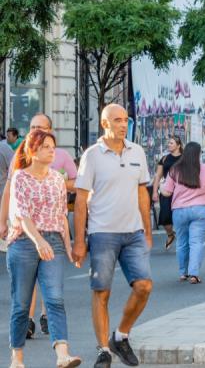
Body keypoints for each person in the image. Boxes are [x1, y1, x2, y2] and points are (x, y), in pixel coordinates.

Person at [72, 104, 152, 368]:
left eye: (125, 120)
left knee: (144, 286)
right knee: (101, 291)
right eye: (117, 120)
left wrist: (148, 230)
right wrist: (80, 242)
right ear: (105, 123)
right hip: (102, 232)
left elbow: (143, 193)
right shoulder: (92, 155)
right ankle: (104, 349)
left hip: (133, 232)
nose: (122, 124)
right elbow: (81, 200)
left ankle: (120, 336)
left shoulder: (137, 151)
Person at [6, 130, 81, 368]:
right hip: (24, 242)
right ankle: (17, 357)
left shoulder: (57, 179)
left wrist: (69, 248)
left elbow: (61, 216)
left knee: (55, 298)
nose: (52, 150)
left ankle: (62, 354)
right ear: (33, 150)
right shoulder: (20, 177)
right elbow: (22, 214)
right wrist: (39, 241)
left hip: (54, 242)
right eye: (46, 146)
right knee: (21, 304)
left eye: (53, 146)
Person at [160, 142, 205, 284]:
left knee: (182, 242)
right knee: (197, 242)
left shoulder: (175, 170)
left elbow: (166, 192)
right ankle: (194, 274)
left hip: (179, 210)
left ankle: (183, 272)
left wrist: (160, 185)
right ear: (198, 154)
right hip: (200, 210)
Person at [151, 135, 182, 250]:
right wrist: (155, 192)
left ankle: (182, 240)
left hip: (180, 192)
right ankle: (170, 234)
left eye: (171, 143)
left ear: (178, 145)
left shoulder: (184, 158)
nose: (169, 145)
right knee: (164, 217)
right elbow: (158, 176)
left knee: (179, 216)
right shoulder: (164, 159)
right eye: (168, 143)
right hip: (165, 191)